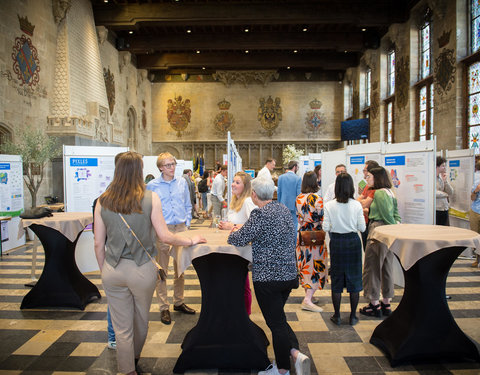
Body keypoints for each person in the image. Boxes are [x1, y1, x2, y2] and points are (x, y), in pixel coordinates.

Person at [93, 151, 206, 375]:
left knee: (121, 327)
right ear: (139, 171)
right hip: (142, 269)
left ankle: (127, 370)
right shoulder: (149, 198)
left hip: (112, 269)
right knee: (141, 322)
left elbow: (98, 243)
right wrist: (190, 239)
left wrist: (104, 269)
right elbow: (165, 236)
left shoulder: (102, 201)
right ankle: (133, 359)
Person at [228, 177, 311, 375]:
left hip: (268, 277)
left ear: (254, 195)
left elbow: (238, 239)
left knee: (276, 323)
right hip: (289, 274)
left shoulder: (259, 214)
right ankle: (295, 354)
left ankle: (282, 369)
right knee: (279, 319)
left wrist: (232, 232)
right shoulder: (282, 209)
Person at [146, 153, 196, 325]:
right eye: (167, 165)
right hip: (163, 230)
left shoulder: (182, 182)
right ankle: (163, 307)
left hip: (181, 228)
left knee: (180, 268)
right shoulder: (152, 186)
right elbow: (147, 209)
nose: (172, 167)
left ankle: (179, 301)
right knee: (162, 271)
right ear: (160, 167)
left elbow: (188, 203)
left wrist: (187, 222)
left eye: (173, 164)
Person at [323, 173, 366, 326]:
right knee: (354, 279)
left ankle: (337, 315)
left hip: (337, 242)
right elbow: (362, 227)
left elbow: (325, 227)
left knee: (337, 279)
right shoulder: (356, 205)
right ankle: (353, 316)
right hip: (353, 242)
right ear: (351, 187)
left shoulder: (329, 205)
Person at [360, 166, 401, 318]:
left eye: (369, 176)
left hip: (379, 230)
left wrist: (390, 228)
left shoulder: (379, 193)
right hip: (389, 232)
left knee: (372, 267)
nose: (367, 179)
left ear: (377, 178)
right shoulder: (390, 192)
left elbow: (385, 215)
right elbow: (396, 215)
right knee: (386, 266)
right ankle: (386, 301)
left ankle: (374, 304)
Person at [218, 171, 257, 314]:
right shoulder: (235, 200)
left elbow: (255, 224)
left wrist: (232, 226)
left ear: (245, 186)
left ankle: (246, 315)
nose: (233, 184)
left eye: (237, 182)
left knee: (243, 284)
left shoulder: (247, 202)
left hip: (242, 249)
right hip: (232, 248)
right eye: (233, 181)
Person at [295, 171, 328, 312]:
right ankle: (308, 299)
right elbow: (322, 218)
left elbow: (299, 218)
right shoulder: (318, 199)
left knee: (305, 265)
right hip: (315, 237)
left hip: (302, 236)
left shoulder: (299, 198)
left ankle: (309, 295)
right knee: (316, 266)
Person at [357, 160, 379, 250]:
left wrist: (364, 203)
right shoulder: (365, 185)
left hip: (372, 222)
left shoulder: (377, 188)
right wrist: (364, 204)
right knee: (366, 248)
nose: (364, 173)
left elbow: (364, 203)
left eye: (365, 170)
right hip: (364, 221)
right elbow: (358, 199)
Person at [277, 160, 302, 229]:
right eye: (298, 167)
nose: (298, 169)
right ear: (294, 167)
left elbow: (279, 192)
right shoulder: (298, 178)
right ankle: (293, 240)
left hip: (283, 205)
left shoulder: (281, 177)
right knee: (293, 226)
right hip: (293, 206)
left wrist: (279, 204)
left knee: (283, 226)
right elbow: (298, 195)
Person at [436, 156, 453, 226]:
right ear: (437, 166)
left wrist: (445, 181)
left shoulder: (441, 177)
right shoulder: (430, 177)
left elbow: (451, 192)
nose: (444, 168)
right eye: (443, 166)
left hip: (444, 208)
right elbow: (433, 193)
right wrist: (445, 194)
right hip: (436, 209)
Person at [470, 160, 480, 267]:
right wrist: (476, 190)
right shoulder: (476, 180)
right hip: (476, 210)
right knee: (476, 236)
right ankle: (477, 259)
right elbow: (472, 198)